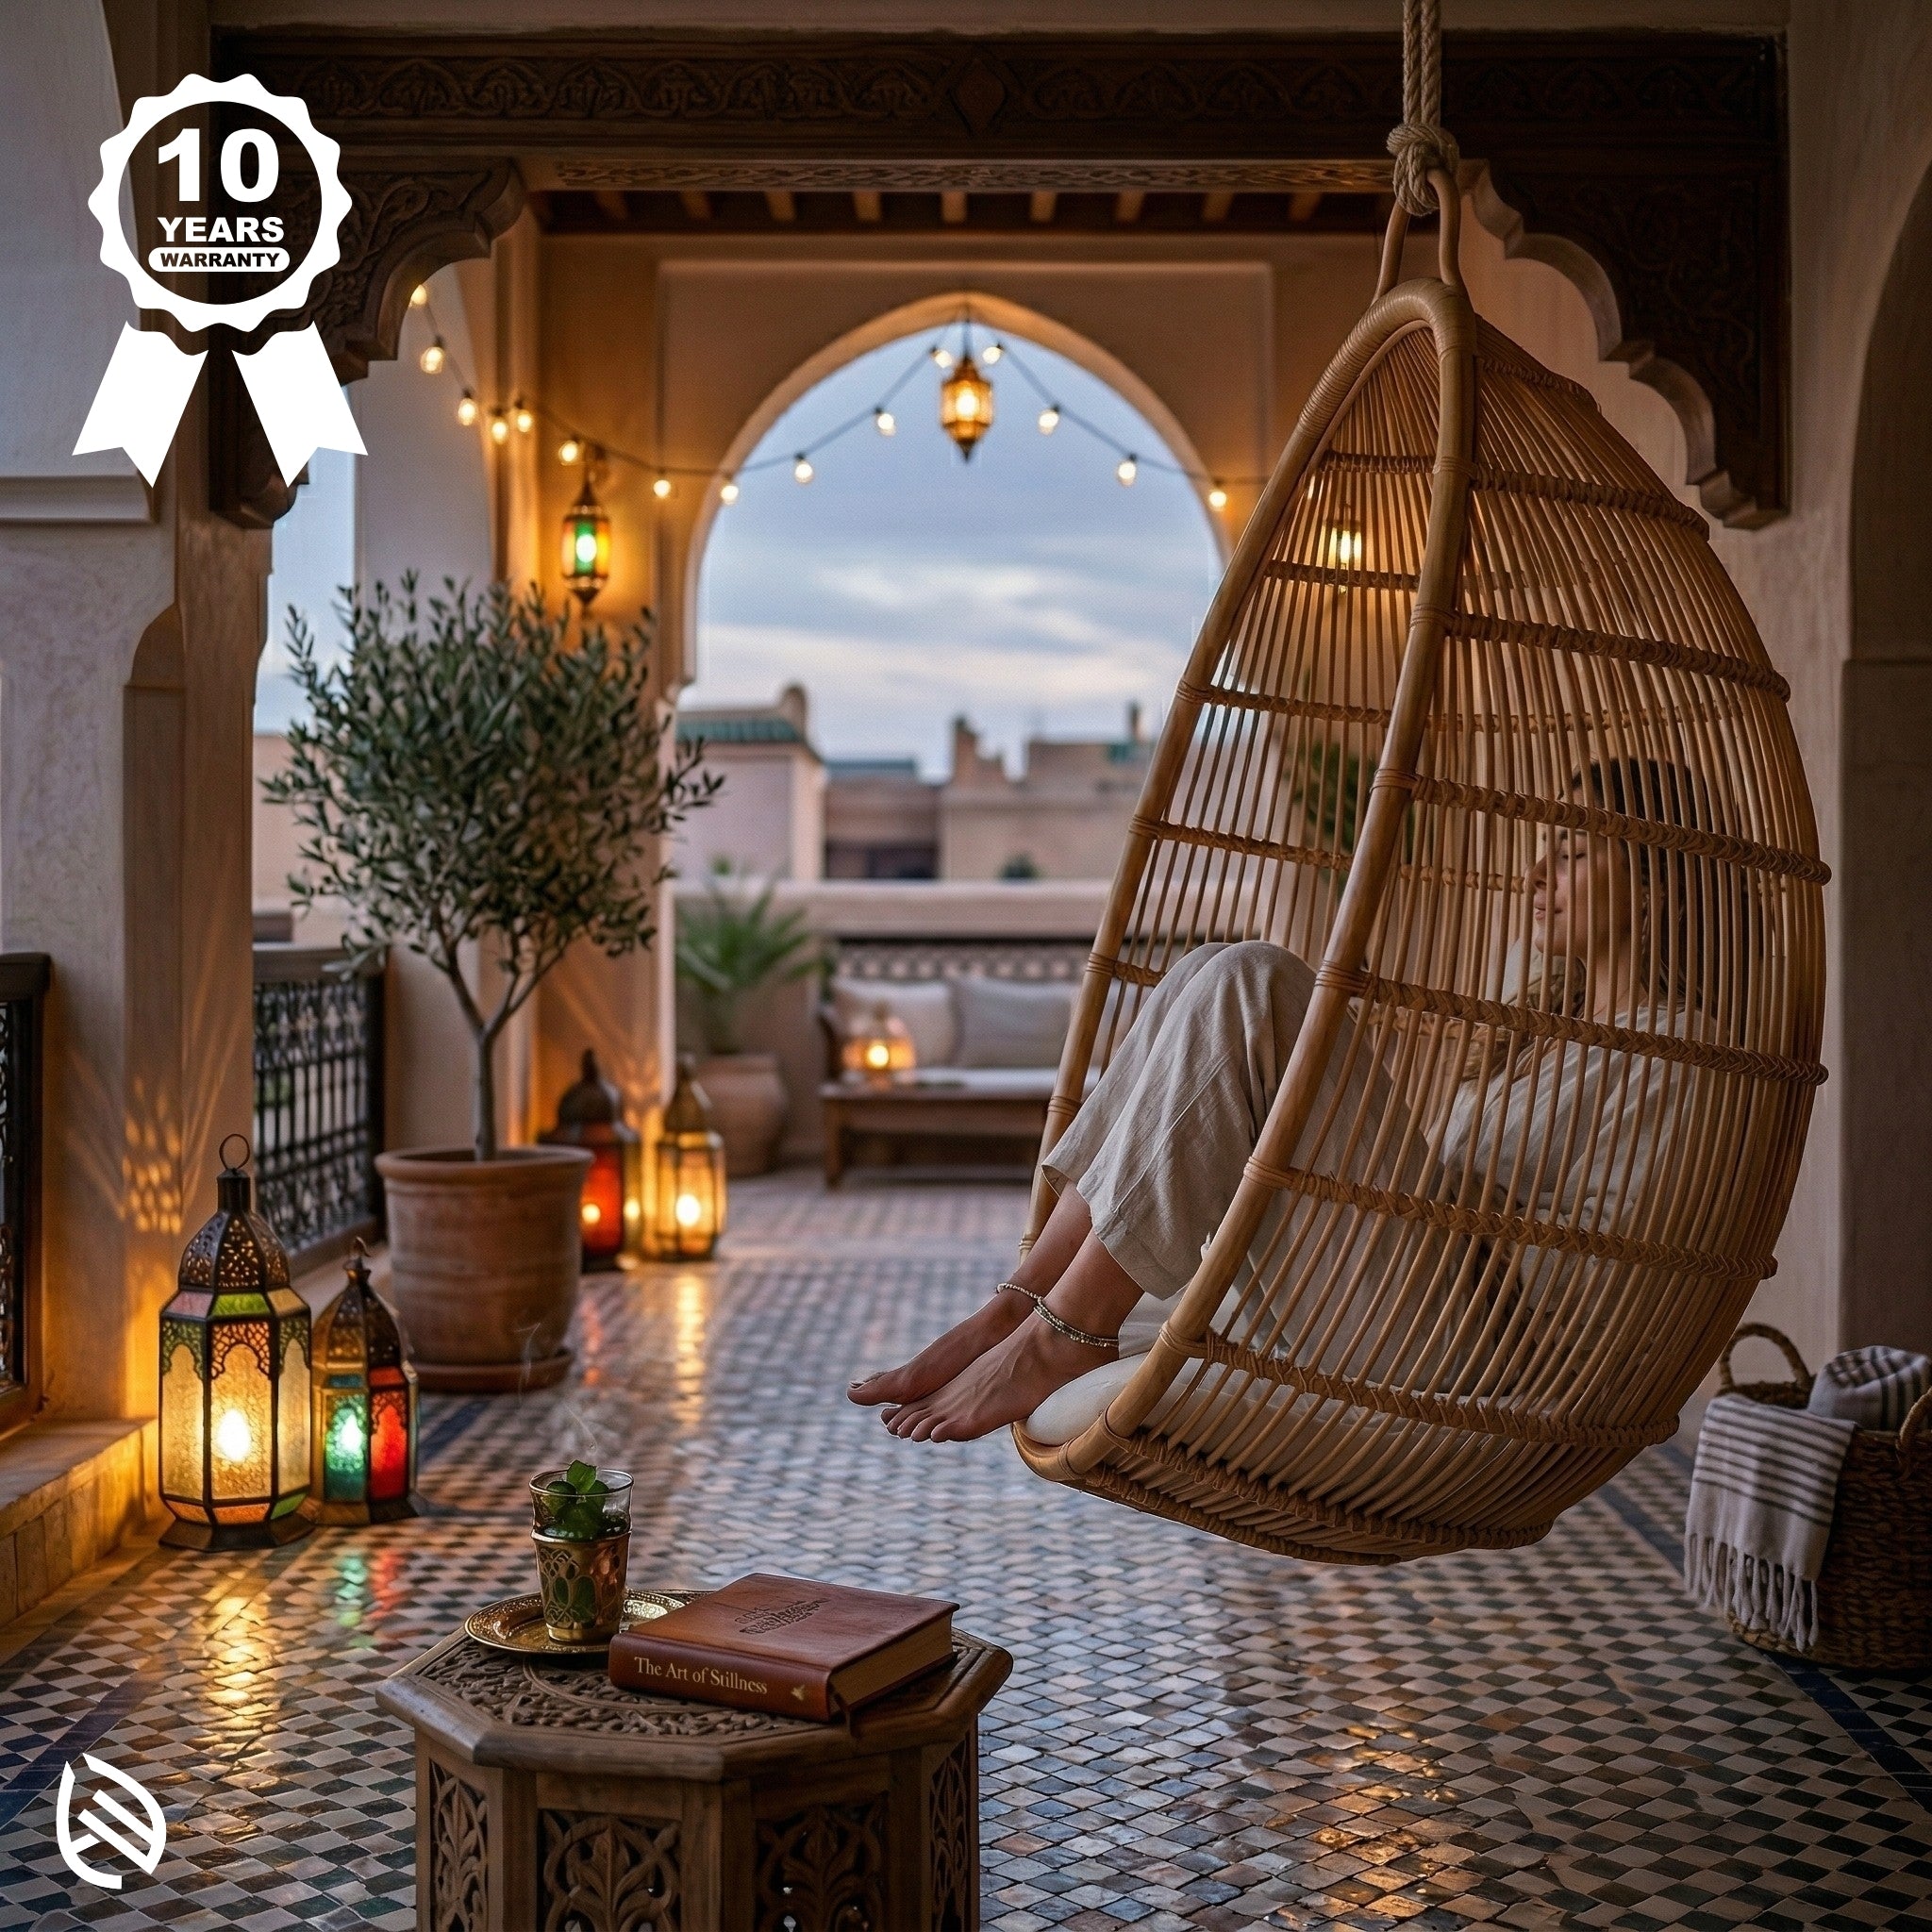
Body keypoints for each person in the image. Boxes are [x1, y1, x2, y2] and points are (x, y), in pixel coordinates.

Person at [849, 759, 1713, 1443]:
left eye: (1572, 853)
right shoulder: (1541, 1028)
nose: (1535, 875)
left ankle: (1065, 1332)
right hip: (1429, 1291)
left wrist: (1428, 1191)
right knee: (1200, 972)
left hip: (1490, 1348)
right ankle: (1020, 1303)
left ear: (1650, 880)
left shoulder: (1678, 1052)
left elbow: (1595, 1275)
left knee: (1251, 981)